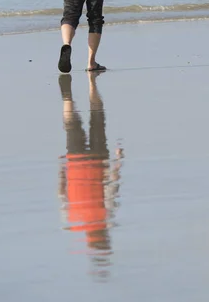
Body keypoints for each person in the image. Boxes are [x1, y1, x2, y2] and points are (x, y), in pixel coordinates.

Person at [58, 73, 123, 272]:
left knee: (96, 118)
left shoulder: (83, 221)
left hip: (95, 160)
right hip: (77, 162)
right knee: (71, 126)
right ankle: (71, 95)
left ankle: (78, 93)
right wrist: (62, 170)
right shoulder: (70, 221)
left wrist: (118, 160)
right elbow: (62, 194)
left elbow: (111, 186)